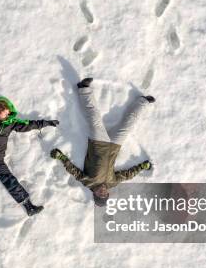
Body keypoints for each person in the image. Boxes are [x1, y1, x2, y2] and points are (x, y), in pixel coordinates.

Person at [50, 78, 153, 206]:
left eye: (100, 195)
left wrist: (61, 157)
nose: (103, 192)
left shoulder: (89, 182)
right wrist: (141, 167)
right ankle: (143, 101)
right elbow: (127, 175)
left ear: (95, 194)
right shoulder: (111, 182)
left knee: (95, 119)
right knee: (127, 125)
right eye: (105, 194)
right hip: (115, 146)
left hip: (98, 143)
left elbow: (73, 171)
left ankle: (84, 89)